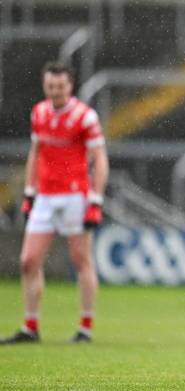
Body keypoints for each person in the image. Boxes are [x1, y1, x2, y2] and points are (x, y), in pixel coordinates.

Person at [1, 62, 109, 344]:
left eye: (60, 86)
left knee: (81, 259)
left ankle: (85, 327)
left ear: (70, 86)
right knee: (28, 261)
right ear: (44, 85)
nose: (55, 91)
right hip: (46, 197)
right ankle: (30, 327)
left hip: (76, 196)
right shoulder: (39, 112)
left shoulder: (85, 117)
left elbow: (99, 158)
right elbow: (35, 153)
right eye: (50, 86)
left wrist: (95, 200)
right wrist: (29, 192)